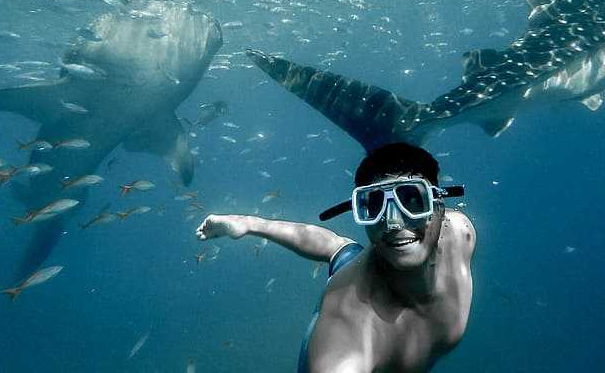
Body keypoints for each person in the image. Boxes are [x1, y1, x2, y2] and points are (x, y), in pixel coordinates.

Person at [196, 143, 476, 373]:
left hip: (366, 264)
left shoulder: (461, 232)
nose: (393, 222)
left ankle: (249, 223)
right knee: (347, 260)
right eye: (374, 205)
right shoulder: (348, 332)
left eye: (413, 200)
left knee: (341, 249)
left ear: (440, 206)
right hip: (352, 292)